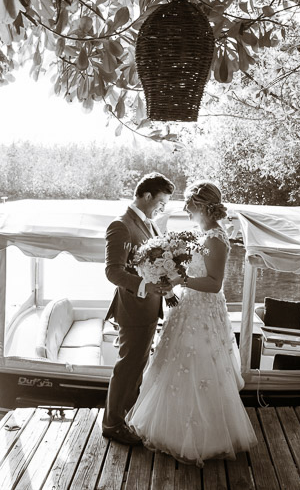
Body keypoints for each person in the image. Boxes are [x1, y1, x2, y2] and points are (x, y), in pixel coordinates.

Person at [126, 180, 257, 466]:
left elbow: (214, 283)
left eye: (188, 203)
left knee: (199, 367)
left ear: (201, 206)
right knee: (174, 366)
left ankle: (203, 437)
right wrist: (169, 271)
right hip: (186, 307)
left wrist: (181, 279)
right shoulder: (201, 234)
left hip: (204, 311)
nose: (184, 208)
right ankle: (172, 430)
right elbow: (193, 271)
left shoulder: (215, 238)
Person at [102, 172, 176, 445]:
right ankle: (112, 425)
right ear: (146, 196)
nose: (162, 207)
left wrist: (166, 286)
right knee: (128, 367)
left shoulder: (152, 226)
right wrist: (146, 286)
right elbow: (113, 272)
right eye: (161, 201)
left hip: (150, 308)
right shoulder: (120, 225)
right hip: (133, 308)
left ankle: (126, 418)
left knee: (137, 366)